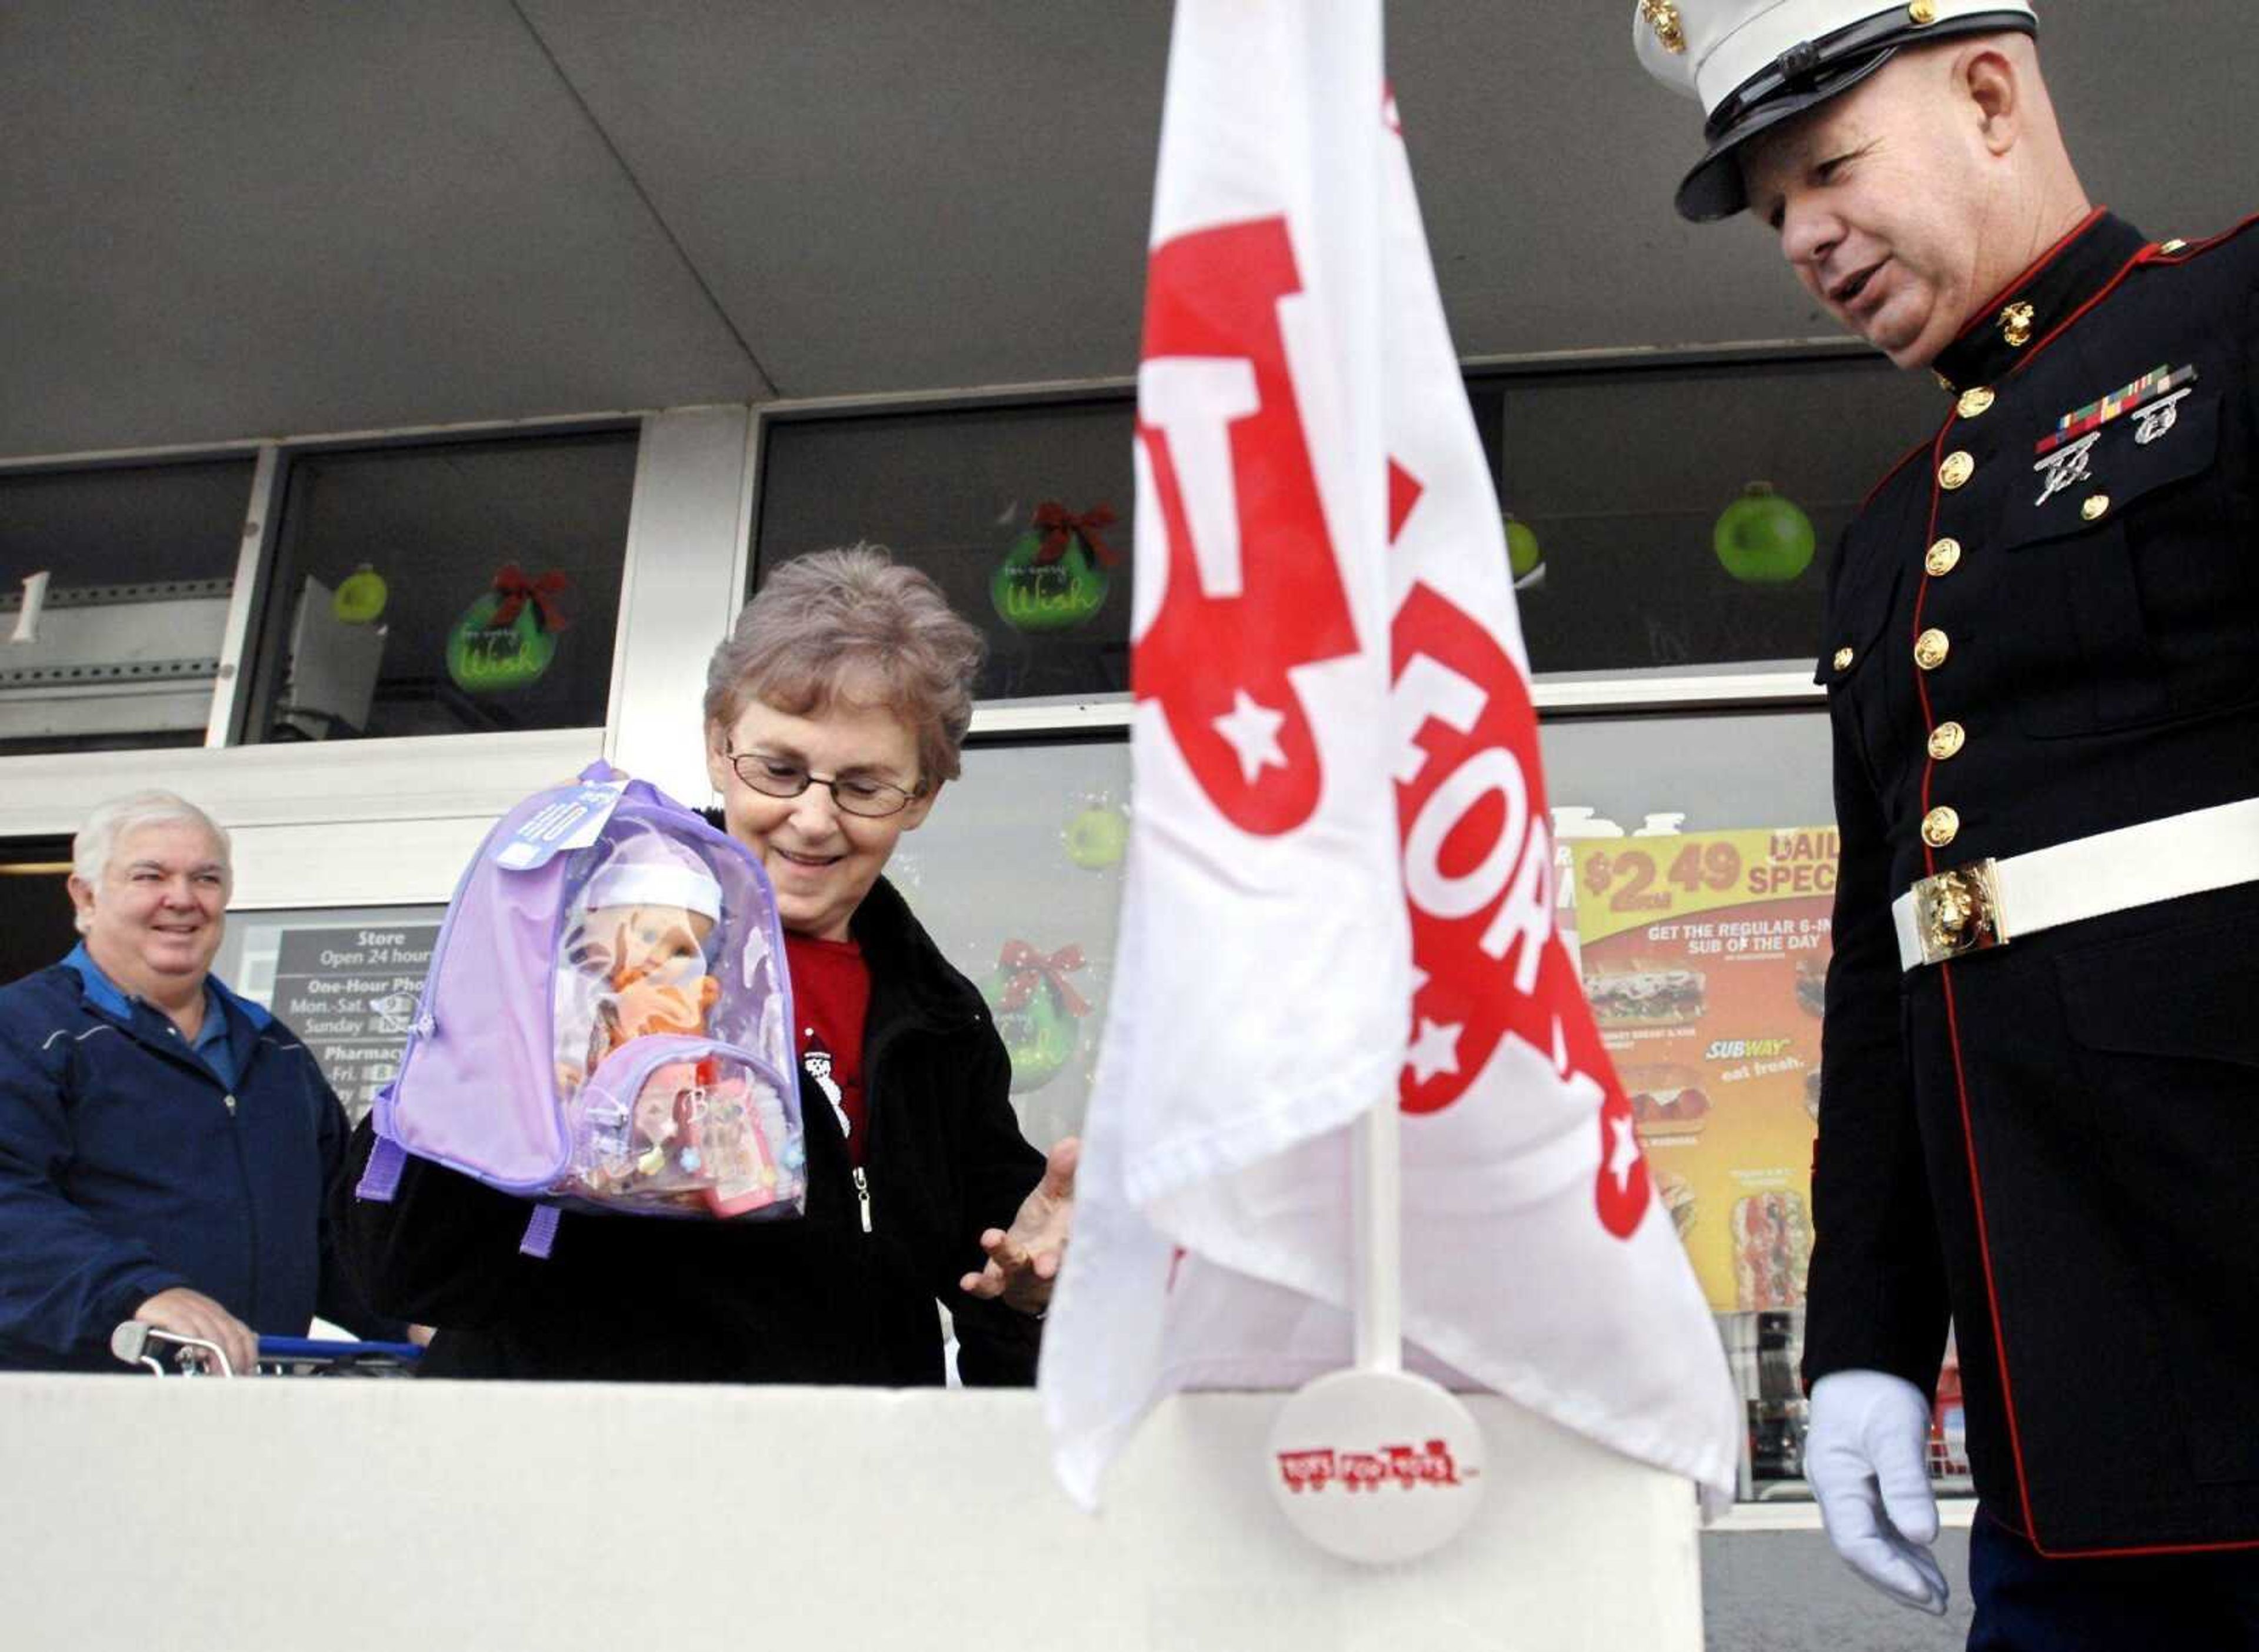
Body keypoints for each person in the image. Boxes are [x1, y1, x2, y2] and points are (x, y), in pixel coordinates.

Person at [1636, 2, 2259, 1642]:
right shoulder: (1886, 537)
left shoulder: (2234, 318)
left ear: (1992, 93)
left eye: (1829, 168)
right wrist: (1861, 1343)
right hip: (2077, 1435)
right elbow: (1888, 972)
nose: (1807, 239)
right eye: (1774, 213)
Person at [338, 547, 1077, 1383]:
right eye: (781, 769)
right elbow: (403, 1272)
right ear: (720, 747)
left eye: (864, 786)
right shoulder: (595, 932)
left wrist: (1030, 1292)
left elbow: (990, 1281)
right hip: (579, 1480)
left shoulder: (940, 1018)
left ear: (924, 796)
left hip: (828, 1489)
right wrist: (503, 1012)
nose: (811, 819)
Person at [0, 790, 401, 1374]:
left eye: (206, 878)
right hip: (69, 1411)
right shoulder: (25, 1029)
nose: (182, 899)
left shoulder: (275, 1050)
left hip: (242, 1404)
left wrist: (417, 1315)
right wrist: (140, 1294)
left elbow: (334, 1235)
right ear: (86, 897)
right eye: (150, 875)